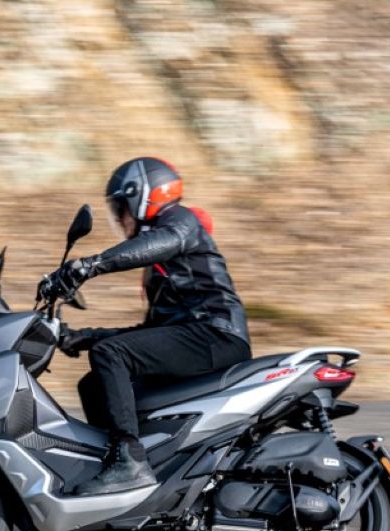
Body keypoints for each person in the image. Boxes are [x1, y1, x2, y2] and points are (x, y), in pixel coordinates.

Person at [37, 157, 251, 496]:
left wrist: (88, 266)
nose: (120, 218)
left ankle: (130, 464)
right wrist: (82, 337)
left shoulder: (181, 220)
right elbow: (152, 333)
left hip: (216, 334)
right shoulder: (164, 261)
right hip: (195, 335)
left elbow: (162, 242)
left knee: (111, 354)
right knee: (94, 384)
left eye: (121, 208)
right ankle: (119, 465)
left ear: (142, 195)